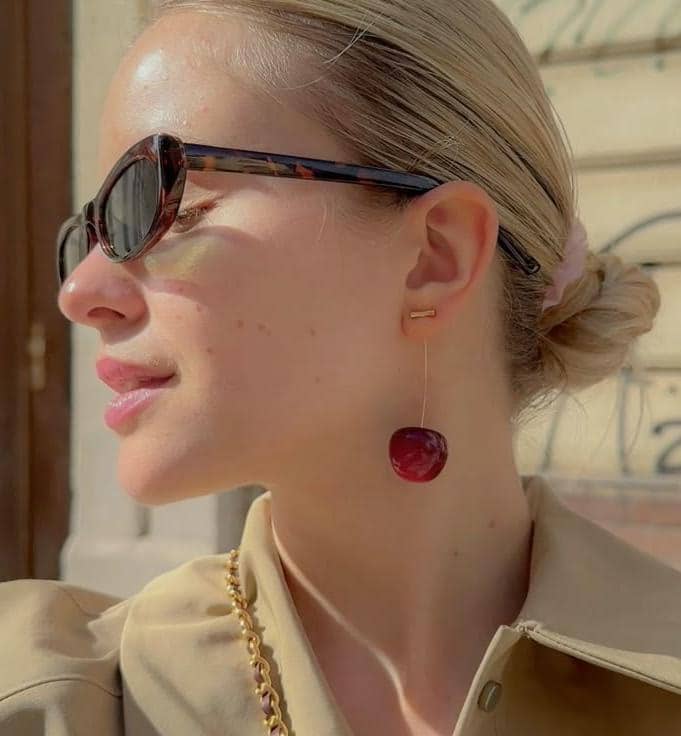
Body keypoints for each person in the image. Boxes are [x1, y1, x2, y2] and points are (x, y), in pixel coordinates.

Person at [2, 1, 680, 734]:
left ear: (435, 257)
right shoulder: (48, 699)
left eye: (157, 203)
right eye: (88, 235)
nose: (79, 292)